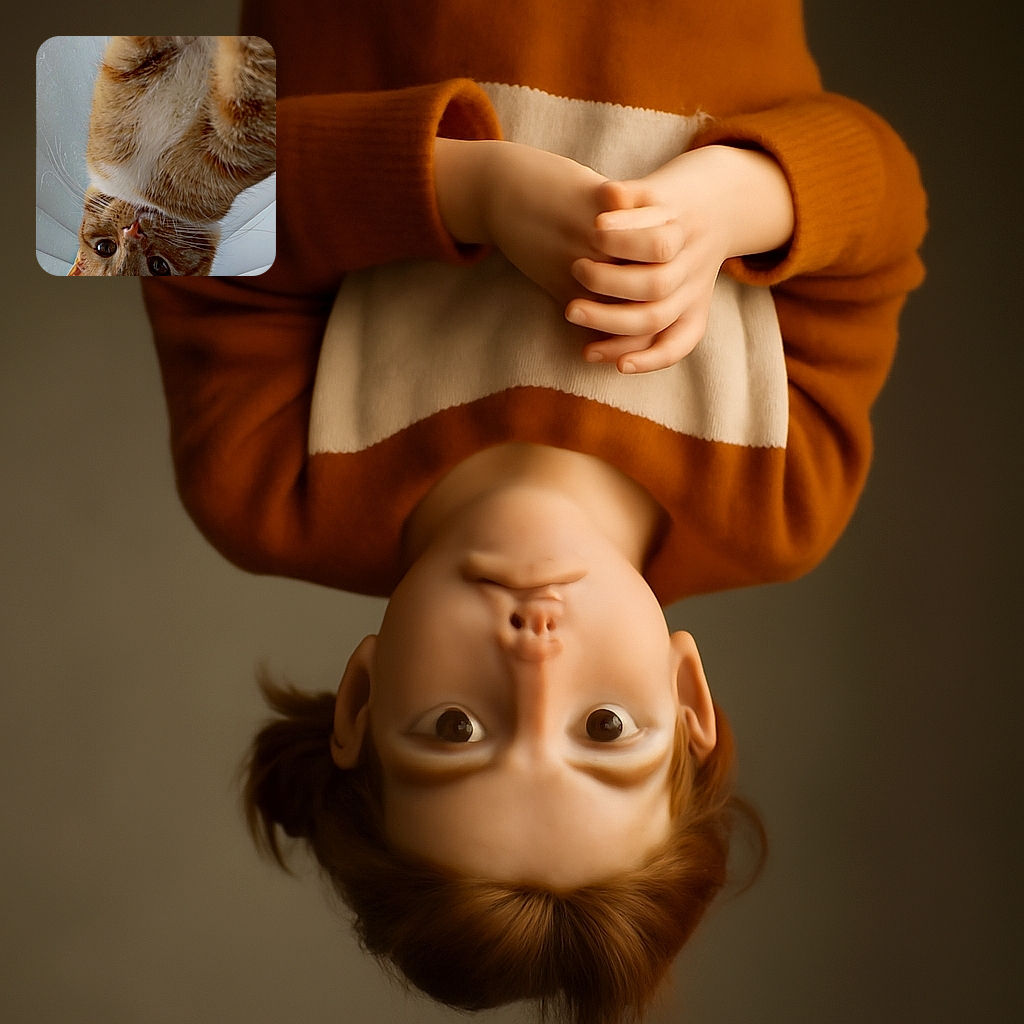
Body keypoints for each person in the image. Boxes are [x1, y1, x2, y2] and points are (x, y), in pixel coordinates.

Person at [140, 1, 927, 1021]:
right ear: (688, 700)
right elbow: (890, 202)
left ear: (360, 705)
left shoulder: (268, 485)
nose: (535, 656)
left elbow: (139, 148)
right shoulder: (782, 491)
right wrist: (736, 202)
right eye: (605, 728)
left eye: (455, 728)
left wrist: (464, 188)